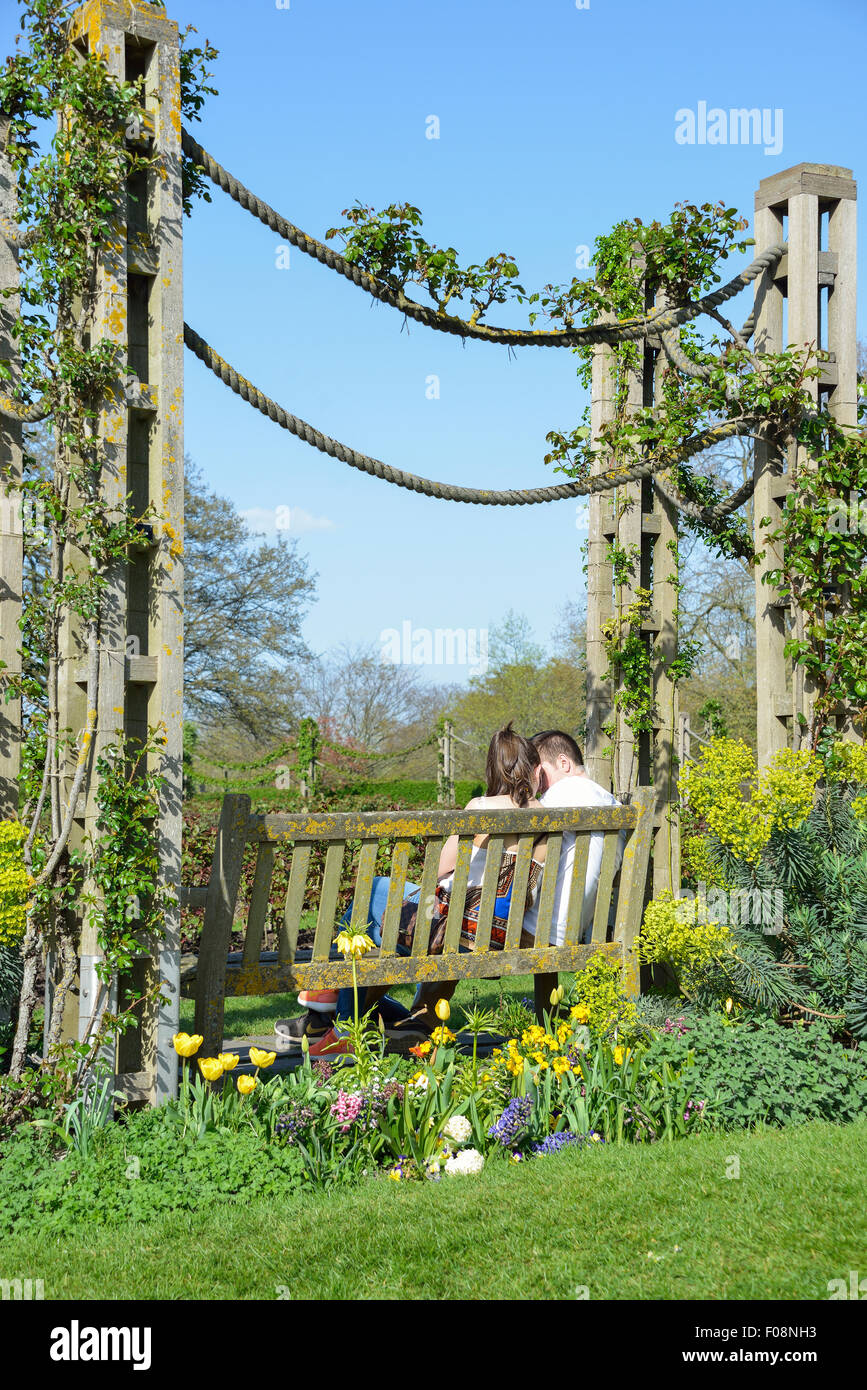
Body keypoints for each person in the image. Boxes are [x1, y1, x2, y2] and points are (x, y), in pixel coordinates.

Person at [300, 723, 548, 1057]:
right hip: (503, 931)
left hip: (457, 925)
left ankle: (335, 1010)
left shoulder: (481, 807)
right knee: (383, 915)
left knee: (374, 892)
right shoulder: (550, 816)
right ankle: (371, 1013)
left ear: (492, 769)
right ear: (532, 768)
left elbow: (442, 868)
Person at [523, 729, 626, 945]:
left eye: (541, 772)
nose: (538, 783)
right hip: (574, 931)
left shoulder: (565, 791)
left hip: (536, 929)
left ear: (563, 763)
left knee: (457, 921)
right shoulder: (614, 806)